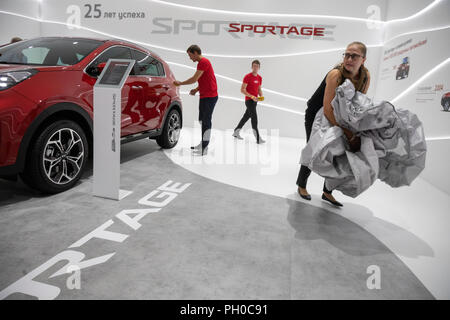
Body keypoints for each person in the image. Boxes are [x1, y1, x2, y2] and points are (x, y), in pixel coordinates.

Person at [296, 41, 371, 207]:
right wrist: (346, 131)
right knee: (315, 147)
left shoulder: (365, 76)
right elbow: (328, 109)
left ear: (363, 59)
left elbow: (358, 103)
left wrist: (353, 127)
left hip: (339, 112)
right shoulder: (335, 75)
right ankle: (301, 185)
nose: (349, 59)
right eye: (347, 54)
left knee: (339, 153)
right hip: (317, 113)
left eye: (354, 56)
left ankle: (327, 191)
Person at [173, 44, 218, 156]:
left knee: (206, 121)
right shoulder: (201, 63)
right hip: (204, 95)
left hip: (210, 96)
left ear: (196, 53)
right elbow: (205, 79)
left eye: (190, 55)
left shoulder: (204, 62)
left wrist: (181, 83)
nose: (190, 58)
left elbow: (194, 79)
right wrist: (197, 89)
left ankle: (205, 147)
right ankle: (203, 143)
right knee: (201, 120)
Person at [232, 60, 265, 143]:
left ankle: (236, 131)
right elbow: (242, 90)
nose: (255, 68)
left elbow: (259, 89)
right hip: (249, 100)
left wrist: (261, 95)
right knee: (254, 118)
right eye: (254, 66)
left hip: (255, 101)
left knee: (246, 117)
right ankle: (258, 138)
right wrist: (251, 96)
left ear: (259, 68)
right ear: (251, 67)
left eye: (257, 66)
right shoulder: (247, 77)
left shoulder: (259, 78)